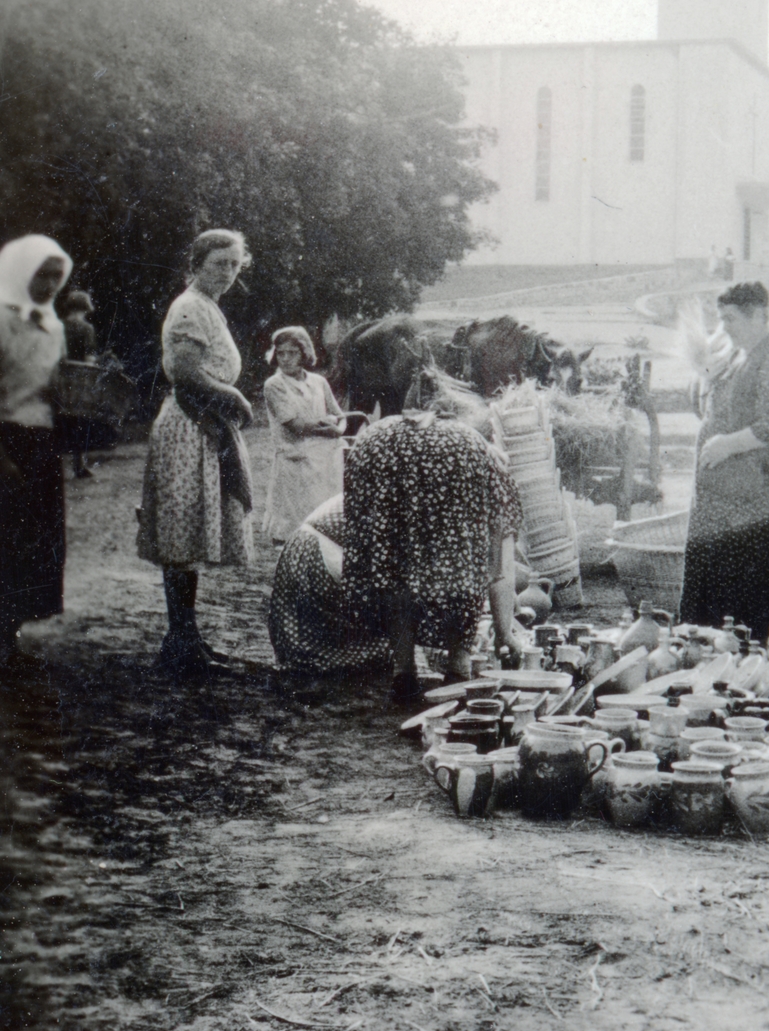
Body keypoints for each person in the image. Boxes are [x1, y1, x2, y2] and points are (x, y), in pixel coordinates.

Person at [267, 372, 524, 697]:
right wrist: (505, 633)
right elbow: (500, 566)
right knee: (463, 570)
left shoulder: (378, 436)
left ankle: (403, 671)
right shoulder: (479, 451)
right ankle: (458, 668)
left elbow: (369, 538)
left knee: (398, 570)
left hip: (341, 561)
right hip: (321, 561)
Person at [136, 229, 254, 676]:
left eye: (235, 264)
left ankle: (186, 638)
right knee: (181, 531)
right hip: (188, 425)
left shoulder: (207, 306)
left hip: (204, 425)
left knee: (188, 532)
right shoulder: (190, 307)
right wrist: (235, 397)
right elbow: (185, 372)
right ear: (197, 263)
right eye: (219, 263)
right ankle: (180, 643)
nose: (228, 272)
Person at [679, 281, 769, 645]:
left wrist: (727, 444)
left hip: (754, 495)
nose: (724, 328)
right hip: (725, 496)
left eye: (730, 319)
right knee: (718, 593)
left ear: (759, 315)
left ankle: (744, 660)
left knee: (744, 596)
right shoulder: (741, 352)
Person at [0, 235, 73, 670]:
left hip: (41, 444)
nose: (48, 285)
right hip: (5, 440)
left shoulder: (54, 327)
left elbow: (55, 388)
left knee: (32, 542)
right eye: (41, 275)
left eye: (56, 277)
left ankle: (10, 640)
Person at [261, 326, 345, 542]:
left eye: (292, 353)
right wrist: (328, 425)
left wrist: (339, 429)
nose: (285, 359)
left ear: (304, 353)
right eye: (281, 353)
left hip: (325, 460)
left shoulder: (318, 381)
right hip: (295, 459)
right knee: (293, 527)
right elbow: (296, 425)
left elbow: (340, 415)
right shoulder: (274, 385)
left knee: (324, 521)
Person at [56, 289, 99, 478]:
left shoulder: (59, 326)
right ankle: (78, 464)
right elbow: (89, 358)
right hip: (80, 380)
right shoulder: (86, 329)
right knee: (79, 420)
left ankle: (55, 466)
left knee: (58, 420)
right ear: (84, 308)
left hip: (59, 377)